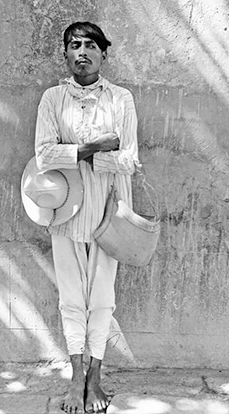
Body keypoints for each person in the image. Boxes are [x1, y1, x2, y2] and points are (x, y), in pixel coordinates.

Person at [34, 21, 139, 413]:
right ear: (65, 53)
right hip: (64, 209)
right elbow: (43, 155)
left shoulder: (121, 98)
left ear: (103, 54)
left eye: (91, 45)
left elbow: (128, 160)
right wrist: (95, 146)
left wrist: (73, 150)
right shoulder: (52, 99)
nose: (82, 51)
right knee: (71, 299)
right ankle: (75, 377)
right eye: (74, 45)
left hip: (109, 211)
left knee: (102, 300)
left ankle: (95, 377)